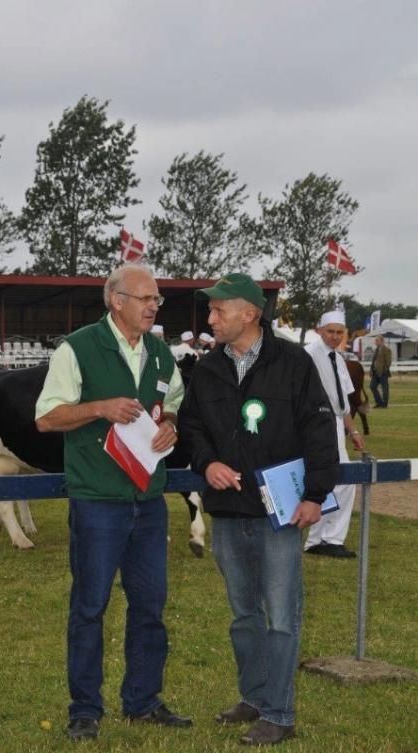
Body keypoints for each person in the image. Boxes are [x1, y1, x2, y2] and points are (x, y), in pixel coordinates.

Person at [179, 272, 338, 747]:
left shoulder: (293, 362)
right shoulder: (207, 368)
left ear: (249, 313)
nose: (210, 319)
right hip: (228, 511)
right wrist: (207, 464)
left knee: (282, 617)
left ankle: (280, 712)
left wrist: (314, 494)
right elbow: (191, 426)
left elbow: (318, 429)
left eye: (217, 311)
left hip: (281, 514)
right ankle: (253, 695)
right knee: (243, 614)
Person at [35, 264, 191, 741]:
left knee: (150, 605)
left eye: (157, 300)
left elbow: (175, 404)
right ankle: (85, 708)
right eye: (145, 298)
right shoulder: (78, 348)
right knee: (90, 606)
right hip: (98, 500)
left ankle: (142, 701)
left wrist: (171, 428)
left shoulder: (163, 355)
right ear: (115, 300)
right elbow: (46, 417)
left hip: (148, 501)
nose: (153, 306)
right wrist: (99, 408)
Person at [304, 311, 365, 558]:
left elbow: (344, 402)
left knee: (338, 481)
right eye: (331, 331)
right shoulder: (308, 355)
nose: (335, 336)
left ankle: (321, 539)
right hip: (318, 423)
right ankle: (328, 538)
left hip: (336, 423)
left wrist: (354, 431)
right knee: (341, 480)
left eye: (340, 332)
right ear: (320, 330)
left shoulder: (338, 358)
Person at [370, 335, 392, 408]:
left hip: (383, 373)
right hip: (375, 372)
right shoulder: (376, 349)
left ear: (382, 341)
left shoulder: (387, 350)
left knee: (385, 389)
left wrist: (383, 370)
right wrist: (371, 370)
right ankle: (379, 403)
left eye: (377, 340)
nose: (375, 342)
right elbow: (373, 361)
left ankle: (384, 404)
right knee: (372, 386)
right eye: (375, 340)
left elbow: (388, 362)